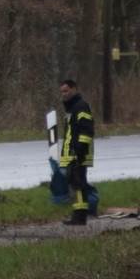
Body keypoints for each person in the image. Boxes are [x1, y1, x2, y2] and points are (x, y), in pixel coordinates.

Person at [59, 78, 94, 226]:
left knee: (78, 185)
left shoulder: (81, 106)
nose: (64, 94)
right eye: (62, 92)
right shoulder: (72, 108)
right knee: (75, 184)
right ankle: (78, 216)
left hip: (78, 155)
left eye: (66, 91)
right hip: (72, 154)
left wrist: (79, 151)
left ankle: (80, 217)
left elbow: (86, 131)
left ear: (74, 89)